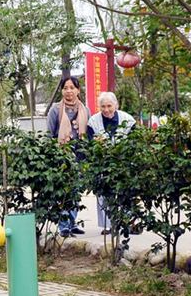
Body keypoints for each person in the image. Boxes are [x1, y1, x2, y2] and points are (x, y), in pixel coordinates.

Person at [87, 91, 136, 235]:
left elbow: (134, 143)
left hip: (124, 163)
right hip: (103, 164)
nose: (106, 109)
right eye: (103, 106)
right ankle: (108, 226)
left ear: (116, 105)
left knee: (125, 193)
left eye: (109, 106)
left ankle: (126, 222)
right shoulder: (93, 122)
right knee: (105, 193)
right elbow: (91, 144)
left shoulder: (128, 119)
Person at [47, 76, 88, 237]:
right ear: (62, 90)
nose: (69, 91)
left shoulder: (85, 109)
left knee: (76, 191)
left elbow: (88, 135)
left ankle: (72, 223)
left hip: (79, 156)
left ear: (78, 90)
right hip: (62, 157)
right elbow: (49, 135)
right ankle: (64, 225)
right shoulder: (55, 110)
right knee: (64, 191)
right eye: (66, 88)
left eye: (72, 88)